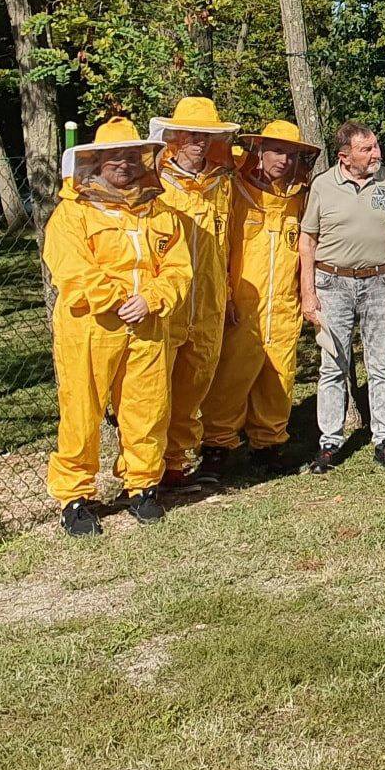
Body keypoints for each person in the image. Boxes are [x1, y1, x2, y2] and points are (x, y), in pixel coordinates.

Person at [43, 118, 194, 536]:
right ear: (95, 163)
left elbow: (179, 270)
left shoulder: (161, 212)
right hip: (90, 327)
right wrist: (114, 299)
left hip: (147, 322)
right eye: (115, 158)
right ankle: (75, 497)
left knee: (147, 406)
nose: (124, 165)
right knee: (82, 409)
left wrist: (151, 298)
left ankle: (142, 485)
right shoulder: (72, 213)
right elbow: (71, 268)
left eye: (131, 157)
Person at [199, 121, 318, 479]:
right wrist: (228, 294)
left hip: (283, 302)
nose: (284, 160)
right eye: (277, 151)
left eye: (291, 153)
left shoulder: (300, 197)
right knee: (230, 375)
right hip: (243, 303)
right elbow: (220, 248)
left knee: (279, 374)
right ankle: (216, 447)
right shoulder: (236, 190)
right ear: (260, 151)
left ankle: (268, 445)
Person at [300, 121, 385, 472]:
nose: (376, 154)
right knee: (332, 366)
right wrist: (307, 292)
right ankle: (329, 442)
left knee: (381, 364)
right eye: (367, 149)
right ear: (345, 157)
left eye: (375, 146)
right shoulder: (323, 186)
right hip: (333, 283)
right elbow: (307, 240)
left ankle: (384, 438)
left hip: (380, 282)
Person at [149, 97, 240, 491]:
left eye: (205, 136)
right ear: (172, 137)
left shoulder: (221, 184)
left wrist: (229, 293)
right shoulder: (154, 182)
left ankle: (175, 465)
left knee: (194, 382)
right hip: (167, 301)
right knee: (154, 386)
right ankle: (143, 471)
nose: (197, 142)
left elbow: (226, 243)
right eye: (189, 134)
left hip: (209, 300)